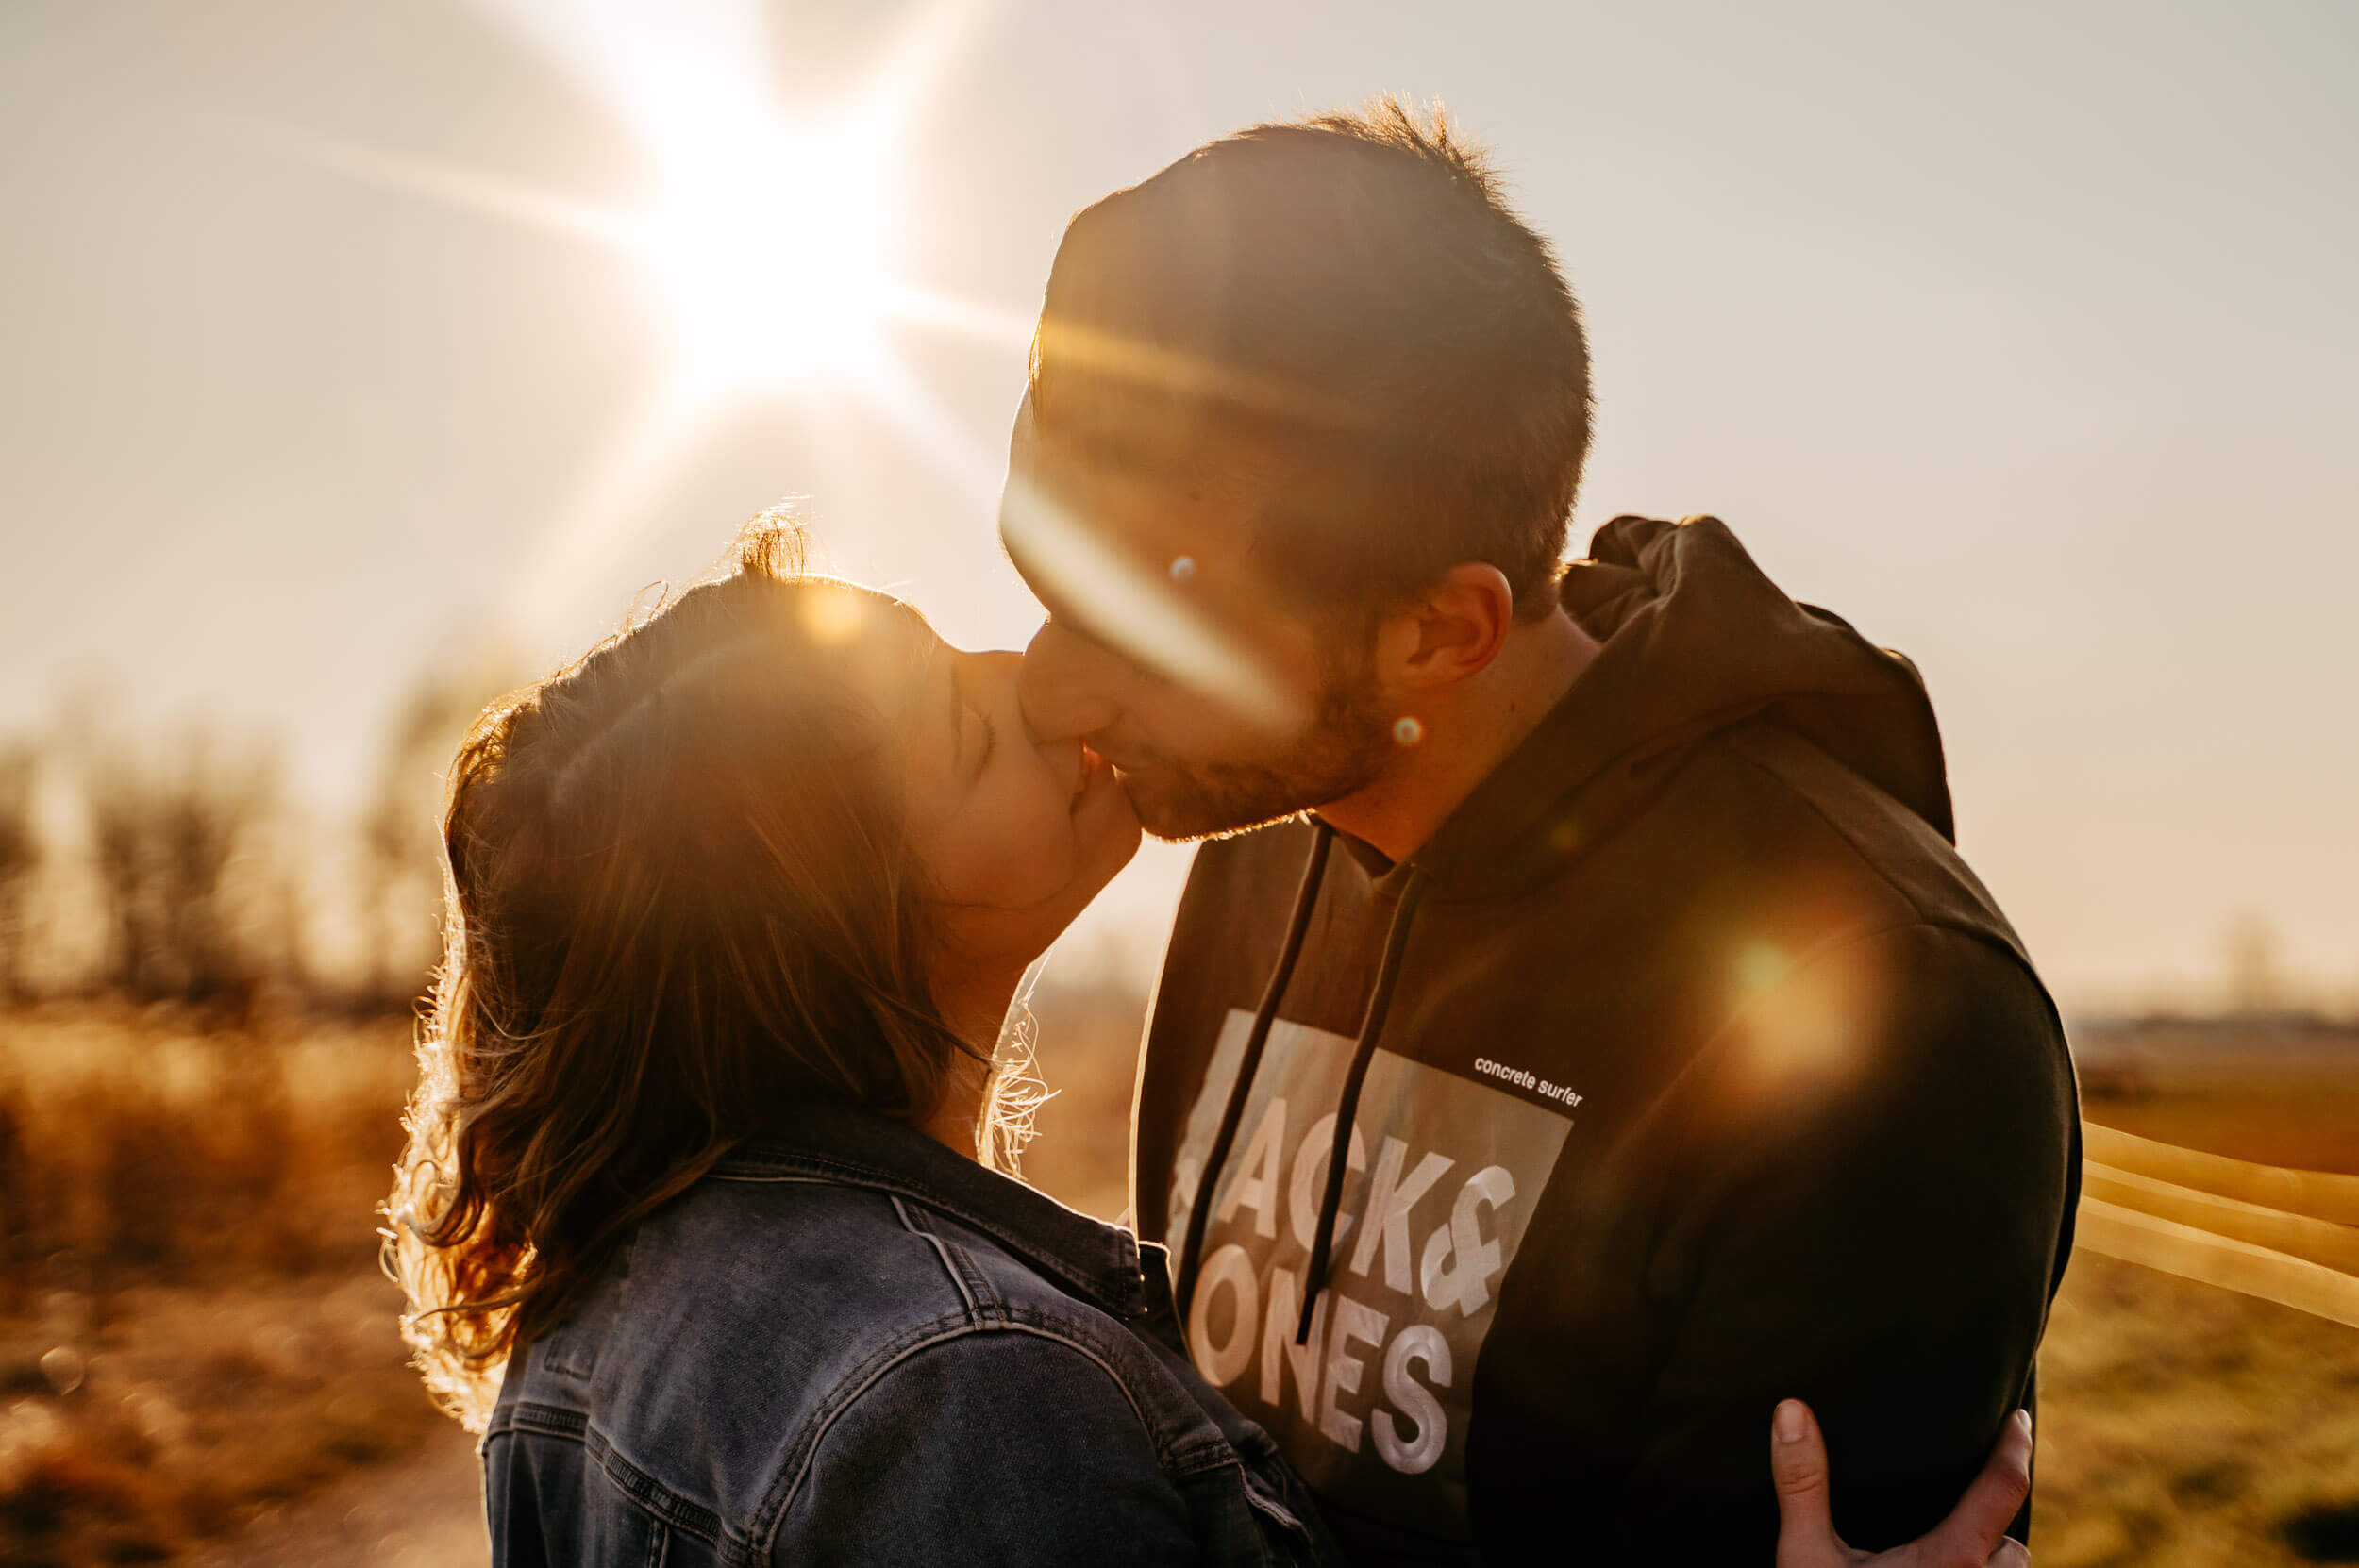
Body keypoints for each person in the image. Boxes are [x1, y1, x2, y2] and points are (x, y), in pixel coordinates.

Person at [389, 522, 2032, 1566]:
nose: (1035, 677)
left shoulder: (591, 1326)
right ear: (829, 942)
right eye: (967, 734)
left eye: (948, 642)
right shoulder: (975, 1409)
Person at [1004, 102, 2079, 1563]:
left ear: (1442, 633)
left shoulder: (1892, 1022)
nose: (1049, 683)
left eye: (1144, 630)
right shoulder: (1271, 819)